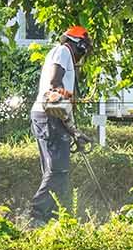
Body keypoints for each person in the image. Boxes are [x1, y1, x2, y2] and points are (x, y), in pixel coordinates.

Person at [28, 25, 91, 223]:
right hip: (49, 117)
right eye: (84, 50)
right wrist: (71, 129)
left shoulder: (65, 56)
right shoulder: (63, 51)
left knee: (58, 173)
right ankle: (36, 216)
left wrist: (74, 132)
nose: (83, 56)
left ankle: (53, 218)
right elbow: (55, 85)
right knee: (57, 170)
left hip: (51, 116)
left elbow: (61, 105)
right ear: (79, 45)